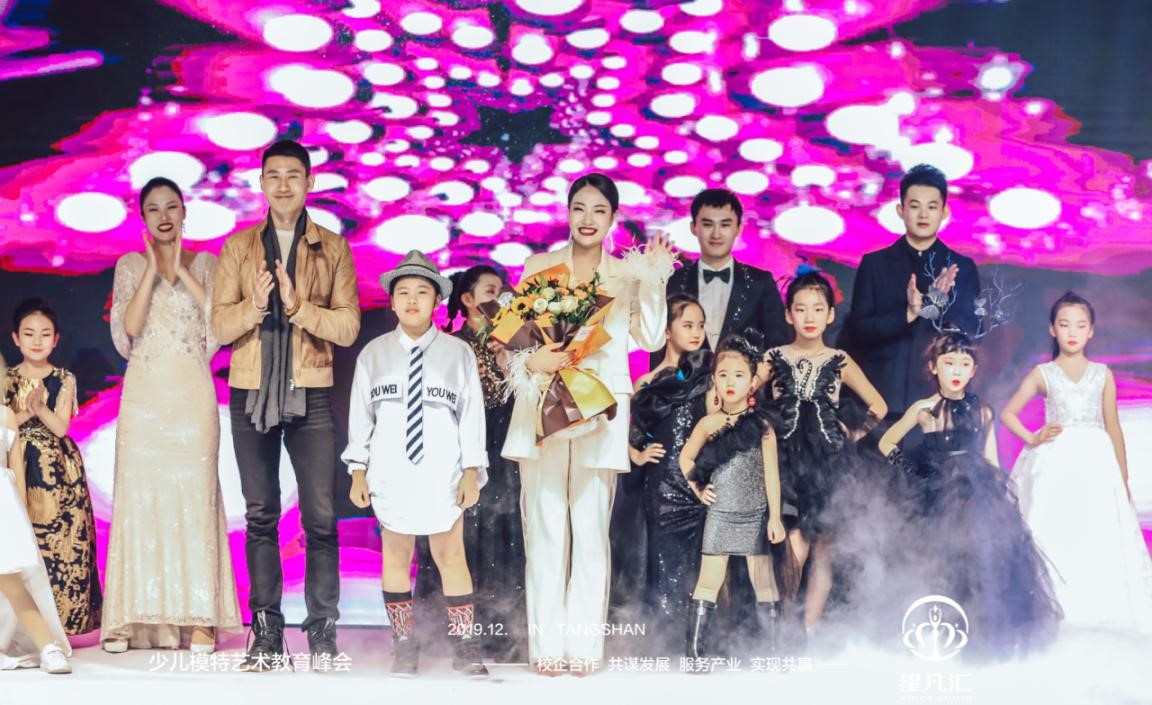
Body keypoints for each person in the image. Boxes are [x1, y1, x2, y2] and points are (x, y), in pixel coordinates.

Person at [502, 173, 675, 675]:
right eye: (579, 207)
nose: (588, 219)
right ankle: (547, 647)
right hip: (545, 405)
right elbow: (513, 336)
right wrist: (533, 361)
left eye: (599, 210)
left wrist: (654, 278)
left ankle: (583, 647)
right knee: (545, 525)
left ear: (613, 218)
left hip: (601, 410)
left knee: (591, 528)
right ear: (567, 212)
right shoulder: (538, 267)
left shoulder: (626, 274)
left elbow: (650, 338)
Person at [211, 139, 361, 669]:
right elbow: (219, 326)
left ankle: (322, 632)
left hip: (311, 390)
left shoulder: (333, 247)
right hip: (250, 390)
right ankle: (267, 632)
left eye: (292, 175)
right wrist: (254, 306)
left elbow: (348, 327)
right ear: (260, 183)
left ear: (310, 182)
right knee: (261, 515)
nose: (282, 185)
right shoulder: (238, 248)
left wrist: (299, 309)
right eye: (272, 176)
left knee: (321, 518)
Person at [102, 177, 241, 654]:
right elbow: (130, 327)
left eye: (172, 207)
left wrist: (180, 268)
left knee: (195, 501)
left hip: (191, 398)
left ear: (184, 212)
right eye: (154, 209)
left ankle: (201, 619)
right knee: (140, 503)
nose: (164, 216)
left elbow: (219, 323)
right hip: (144, 400)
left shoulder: (207, 264)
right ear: (143, 218)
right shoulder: (128, 265)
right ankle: (133, 618)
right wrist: (152, 269)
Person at [344, 250, 489, 678]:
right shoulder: (373, 355)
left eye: (422, 292)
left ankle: (465, 647)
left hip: (443, 469)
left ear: (437, 301)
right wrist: (357, 469)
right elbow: (361, 418)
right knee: (395, 555)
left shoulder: (457, 353)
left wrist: (470, 470)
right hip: (391, 470)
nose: (411, 300)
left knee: (451, 554)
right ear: (391, 302)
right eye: (403, 292)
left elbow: (472, 416)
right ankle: (404, 646)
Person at [879, 330, 1061, 657]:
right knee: (937, 560)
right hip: (936, 493)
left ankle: (981, 634)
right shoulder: (924, 408)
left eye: (965, 364)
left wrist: (1003, 502)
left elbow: (991, 459)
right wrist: (912, 471)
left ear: (974, 370)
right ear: (933, 366)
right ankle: (937, 634)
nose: (957, 371)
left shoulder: (983, 411)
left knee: (982, 559)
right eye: (949, 363)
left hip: (977, 492)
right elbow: (886, 442)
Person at [1002, 292, 1152, 633]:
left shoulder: (1102, 374)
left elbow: (1113, 426)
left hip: (1096, 463)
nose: (1072, 332)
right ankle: (1054, 609)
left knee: (1096, 530)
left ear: (1091, 331)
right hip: (1056, 463)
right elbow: (1008, 413)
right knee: (1055, 527)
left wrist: (1123, 478)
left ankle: (1097, 608)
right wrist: (1032, 437)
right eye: (1064, 324)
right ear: (1052, 329)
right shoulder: (1043, 373)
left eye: (1080, 325)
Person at [762, 269, 887, 641]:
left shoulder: (839, 359)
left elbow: (878, 405)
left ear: (831, 314)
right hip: (784, 463)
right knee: (791, 548)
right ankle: (785, 628)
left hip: (828, 464)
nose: (810, 317)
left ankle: (810, 630)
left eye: (818, 309)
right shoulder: (774, 357)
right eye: (801, 309)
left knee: (823, 549)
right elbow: (742, 392)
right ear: (789, 314)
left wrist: (852, 433)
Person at [414, 264, 528, 663]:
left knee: (504, 533)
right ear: (466, 299)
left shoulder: (517, 346)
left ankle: (503, 636)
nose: (500, 298)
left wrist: (511, 363)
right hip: (462, 450)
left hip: (505, 447)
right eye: (491, 291)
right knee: (461, 535)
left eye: (503, 291)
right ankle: (453, 635)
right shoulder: (450, 347)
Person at [679, 332, 786, 666]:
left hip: (755, 513)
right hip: (720, 512)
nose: (730, 382)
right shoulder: (708, 424)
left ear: (752, 382)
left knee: (764, 582)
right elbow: (685, 458)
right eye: (723, 374)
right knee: (708, 581)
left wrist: (775, 517)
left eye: (738, 375)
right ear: (713, 379)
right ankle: (695, 655)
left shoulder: (762, 425)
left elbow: (771, 474)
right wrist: (698, 487)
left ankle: (773, 652)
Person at [841, 164, 981, 418]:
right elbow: (858, 331)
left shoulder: (962, 268)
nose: (923, 214)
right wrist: (907, 314)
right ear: (901, 210)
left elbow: (972, 334)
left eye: (932, 207)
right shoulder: (874, 264)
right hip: (881, 398)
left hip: (938, 401)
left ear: (944, 212)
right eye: (915, 206)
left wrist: (937, 305)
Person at [612, 294, 710, 654]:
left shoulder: (710, 375)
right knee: (663, 562)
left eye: (701, 326)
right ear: (666, 331)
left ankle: (697, 642)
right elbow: (617, 429)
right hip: (662, 486)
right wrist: (637, 454)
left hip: (701, 484)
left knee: (703, 564)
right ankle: (663, 641)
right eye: (688, 325)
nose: (697, 332)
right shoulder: (648, 381)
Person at [3, 299, 101, 637]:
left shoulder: (63, 378)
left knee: (61, 543)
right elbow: (4, 425)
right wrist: (27, 412)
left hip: (58, 471)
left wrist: (40, 408)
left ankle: (60, 626)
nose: (37, 340)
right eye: (29, 333)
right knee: (22, 541)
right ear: (16, 338)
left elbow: (60, 428)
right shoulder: (7, 379)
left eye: (45, 334)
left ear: (56, 339)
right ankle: (24, 628)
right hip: (16, 462)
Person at [659, 188, 788, 365]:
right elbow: (660, 349)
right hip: (683, 383)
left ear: (739, 228)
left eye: (725, 225)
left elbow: (778, 350)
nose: (716, 234)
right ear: (693, 227)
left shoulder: (761, 283)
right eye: (707, 224)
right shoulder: (672, 282)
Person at [0, 368, 72, 674]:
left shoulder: (4, 415)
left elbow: (15, 468)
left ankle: (47, 647)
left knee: (10, 578)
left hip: (4, 508)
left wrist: (21, 516)